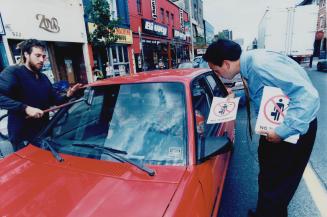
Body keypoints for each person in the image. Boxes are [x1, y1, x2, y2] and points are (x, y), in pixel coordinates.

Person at [203, 39, 319, 217]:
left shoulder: (260, 66)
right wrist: (237, 99)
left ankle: (269, 212)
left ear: (226, 64)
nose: (218, 75)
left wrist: (281, 132)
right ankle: (265, 212)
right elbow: (262, 93)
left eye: (216, 71)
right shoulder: (249, 64)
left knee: (277, 185)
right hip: (279, 126)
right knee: (269, 179)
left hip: (291, 132)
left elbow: (308, 97)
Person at [0, 39, 83, 151]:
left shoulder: (43, 78)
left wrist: (68, 95)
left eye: (43, 56)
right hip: (22, 137)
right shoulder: (13, 72)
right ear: (26, 54)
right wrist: (25, 108)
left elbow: (54, 100)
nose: (41, 60)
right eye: (37, 55)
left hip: (44, 133)